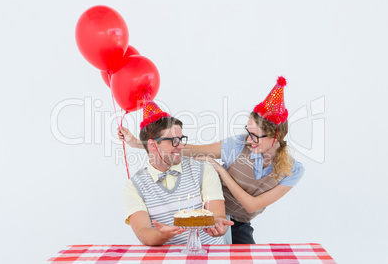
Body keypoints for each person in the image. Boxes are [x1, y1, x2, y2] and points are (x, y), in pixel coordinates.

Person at [119, 76, 304, 244]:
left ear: (275, 137)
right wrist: (140, 143)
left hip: (238, 221)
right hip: (216, 213)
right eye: (248, 132)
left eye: (255, 136)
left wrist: (222, 171)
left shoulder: (293, 170)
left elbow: (251, 205)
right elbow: (192, 150)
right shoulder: (239, 144)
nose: (248, 140)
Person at [122, 99, 233, 246]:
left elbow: (217, 214)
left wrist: (219, 224)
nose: (181, 146)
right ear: (153, 145)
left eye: (181, 140)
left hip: (210, 254)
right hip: (167, 258)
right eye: (173, 141)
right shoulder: (134, 186)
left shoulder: (202, 168)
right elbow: (144, 233)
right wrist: (162, 235)